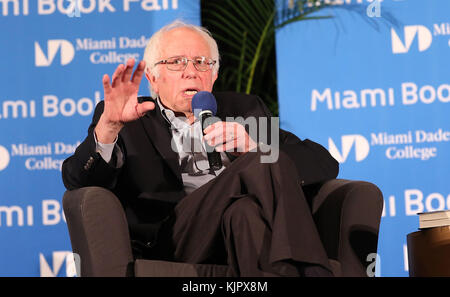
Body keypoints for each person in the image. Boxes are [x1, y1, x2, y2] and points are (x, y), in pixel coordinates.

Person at [62, 20, 339, 277]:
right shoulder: (131, 118)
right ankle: (315, 271)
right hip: (173, 240)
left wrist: (253, 144)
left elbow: (322, 162)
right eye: (176, 62)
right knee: (261, 160)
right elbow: (79, 181)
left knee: (246, 212)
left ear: (214, 75)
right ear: (153, 77)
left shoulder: (244, 111)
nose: (190, 71)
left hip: (236, 232)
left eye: (201, 62)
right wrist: (109, 127)